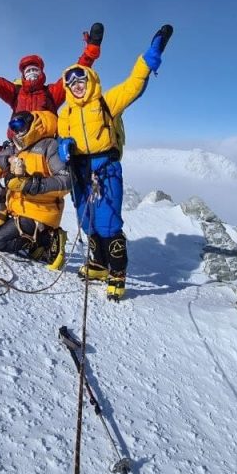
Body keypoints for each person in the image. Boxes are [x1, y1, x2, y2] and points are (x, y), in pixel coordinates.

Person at [58, 24, 173, 300]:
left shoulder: (107, 101)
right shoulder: (65, 113)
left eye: (81, 80)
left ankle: (117, 271)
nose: (77, 86)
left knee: (108, 222)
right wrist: (64, 147)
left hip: (106, 168)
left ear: (90, 80)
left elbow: (134, 85)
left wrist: (149, 57)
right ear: (66, 86)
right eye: (71, 83)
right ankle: (98, 264)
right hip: (81, 172)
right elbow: (62, 137)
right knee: (87, 222)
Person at [0, 23, 103, 209]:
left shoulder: (52, 93)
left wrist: (91, 50)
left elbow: (75, 72)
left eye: (35, 70)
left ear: (42, 73)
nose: (32, 73)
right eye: (28, 71)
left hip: (44, 151)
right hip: (15, 148)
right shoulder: (15, 93)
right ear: (23, 75)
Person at [0, 110, 70, 269]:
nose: (17, 130)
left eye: (20, 125)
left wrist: (31, 184)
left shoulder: (49, 146)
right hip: (16, 208)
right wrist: (7, 160)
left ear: (31, 123)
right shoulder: (16, 147)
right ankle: (36, 245)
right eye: (13, 126)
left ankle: (48, 238)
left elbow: (66, 181)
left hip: (39, 211)